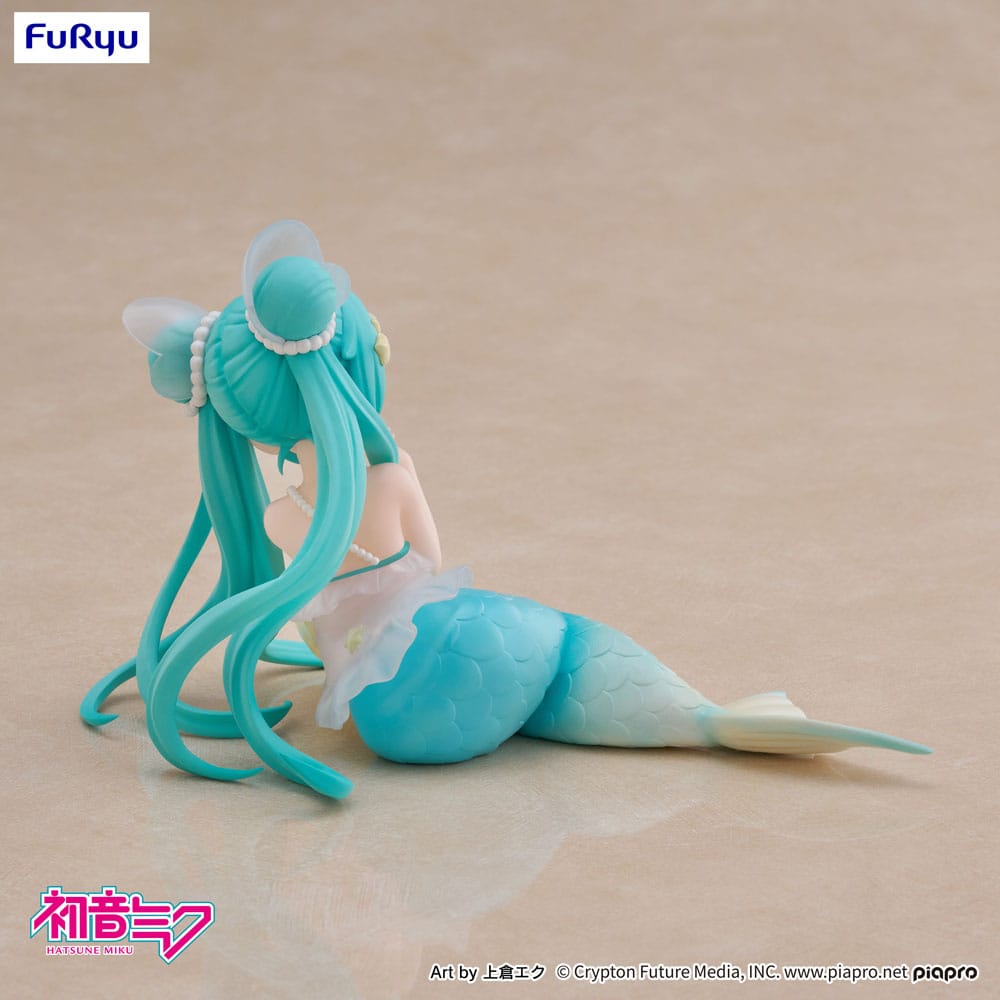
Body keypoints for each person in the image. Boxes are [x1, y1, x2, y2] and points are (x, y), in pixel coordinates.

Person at [81, 221, 930, 800]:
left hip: (384, 710)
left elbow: (316, 617)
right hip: (446, 648)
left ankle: (711, 721)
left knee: (544, 657)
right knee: (552, 642)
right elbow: (432, 557)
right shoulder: (392, 474)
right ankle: (711, 721)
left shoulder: (278, 520)